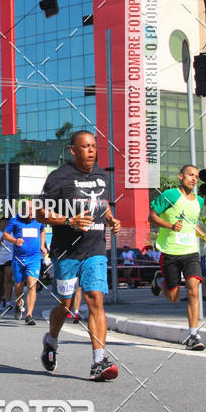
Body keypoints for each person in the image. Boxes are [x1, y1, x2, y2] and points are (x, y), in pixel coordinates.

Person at [37, 130, 121, 381]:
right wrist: (68, 220)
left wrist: (112, 220)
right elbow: (40, 213)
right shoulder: (59, 178)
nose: (91, 151)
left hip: (95, 248)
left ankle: (99, 361)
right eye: (85, 147)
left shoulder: (102, 176)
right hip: (66, 252)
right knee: (65, 304)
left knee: (95, 298)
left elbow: (102, 206)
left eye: (94, 146)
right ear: (73, 150)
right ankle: (51, 340)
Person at [149, 165, 206, 350]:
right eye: (190, 175)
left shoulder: (199, 201)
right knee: (173, 297)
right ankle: (159, 279)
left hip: (190, 252)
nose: (194, 179)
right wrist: (170, 226)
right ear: (181, 176)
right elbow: (152, 217)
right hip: (170, 252)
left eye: (196, 176)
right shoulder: (170, 195)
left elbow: (192, 225)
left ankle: (193, 334)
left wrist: (205, 236)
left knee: (194, 288)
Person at [3, 200, 46, 324]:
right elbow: (6, 234)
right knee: (18, 285)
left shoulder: (39, 219)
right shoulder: (15, 219)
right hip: (19, 258)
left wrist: (42, 245)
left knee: (32, 284)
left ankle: (29, 315)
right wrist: (15, 241)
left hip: (34, 258)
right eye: (28, 212)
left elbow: (42, 230)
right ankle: (18, 304)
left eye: (33, 211)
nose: (31, 214)